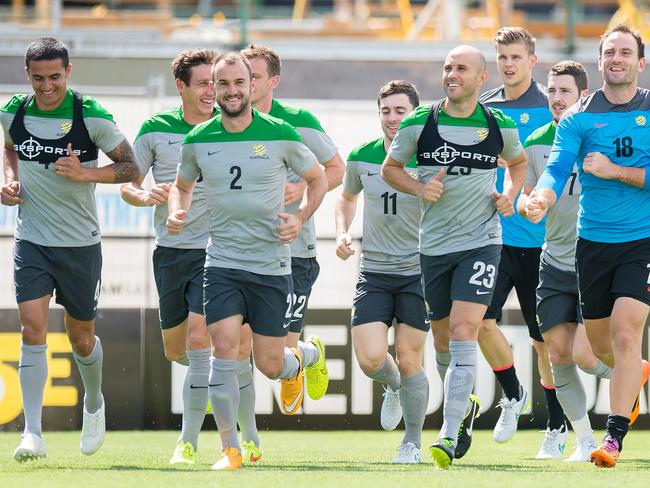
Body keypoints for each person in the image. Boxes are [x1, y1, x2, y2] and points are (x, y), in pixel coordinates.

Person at [166, 53, 329, 471]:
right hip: (221, 262)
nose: (233, 91)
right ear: (213, 89)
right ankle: (230, 448)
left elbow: (319, 178)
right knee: (222, 349)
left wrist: (301, 217)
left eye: (240, 82)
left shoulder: (280, 132)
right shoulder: (198, 139)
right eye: (223, 84)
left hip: (271, 266)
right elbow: (181, 186)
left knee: (272, 365)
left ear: (252, 85)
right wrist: (176, 209)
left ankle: (308, 355)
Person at [382, 45, 527, 469]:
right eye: (447, 67)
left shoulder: (497, 123)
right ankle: (463, 408)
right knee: (443, 340)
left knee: (467, 328)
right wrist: (418, 188)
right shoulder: (418, 122)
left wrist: (510, 195)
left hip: (482, 241)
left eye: (461, 68)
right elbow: (391, 169)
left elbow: (517, 165)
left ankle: (447, 434)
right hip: (434, 247)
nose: (451, 74)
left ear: (482, 78)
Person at [0, 38, 138, 461]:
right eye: (38, 78)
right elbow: (10, 149)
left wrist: (86, 173)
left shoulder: (90, 115)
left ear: (69, 72)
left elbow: (131, 166)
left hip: (80, 245)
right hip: (32, 239)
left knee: (81, 340)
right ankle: (33, 435)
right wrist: (8, 179)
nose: (47, 87)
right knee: (32, 328)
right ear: (28, 75)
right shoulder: (12, 113)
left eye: (55, 77)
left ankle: (93, 403)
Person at [526, 24, 650, 468]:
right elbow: (557, 168)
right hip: (592, 244)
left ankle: (613, 438)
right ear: (599, 62)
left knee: (624, 330)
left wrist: (616, 170)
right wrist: (541, 197)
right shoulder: (579, 116)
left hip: (643, 241)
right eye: (608, 52)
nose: (616, 58)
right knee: (599, 348)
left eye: (625, 52)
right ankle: (633, 375)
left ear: (640, 62)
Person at [240, 45, 344, 433]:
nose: (245, 83)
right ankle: (242, 439)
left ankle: (307, 354)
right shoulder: (227, 122)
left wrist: (301, 186)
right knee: (244, 348)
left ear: (272, 81)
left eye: (253, 75)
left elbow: (336, 168)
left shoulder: (297, 120)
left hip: (294, 251)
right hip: (242, 253)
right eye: (239, 75)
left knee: (276, 356)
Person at [120, 49, 215, 466]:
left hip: (218, 252)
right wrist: (145, 195)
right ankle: (274, 354)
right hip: (171, 252)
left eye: (217, 82)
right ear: (182, 87)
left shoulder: (232, 127)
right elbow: (128, 184)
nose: (213, 91)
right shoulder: (156, 129)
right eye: (204, 83)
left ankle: (187, 443)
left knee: (199, 343)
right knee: (178, 350)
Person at [518, 60, 614, 461]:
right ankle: (585, 441)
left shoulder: (601, 135)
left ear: (583, 97)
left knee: (588, 355)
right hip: (553, 263)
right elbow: (524, 192)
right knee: (557, 354)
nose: (557, 99)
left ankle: (631, 373)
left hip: (596, 261)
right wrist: (528, 206)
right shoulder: (537, 141)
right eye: (552, 91)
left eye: (565, 92)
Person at [478, 27, 563, 454]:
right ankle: (513, 393)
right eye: (502, 57)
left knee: (542, 339)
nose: (508, 64)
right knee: (478, 321)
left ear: (533, 60)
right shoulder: (484, 108)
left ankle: (557, 424)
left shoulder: (550, 108)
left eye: (516, 56)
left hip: (543, 244)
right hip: (492, 240)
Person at [335, 80, 429, 464]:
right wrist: (342, 232)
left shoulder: (430, 156)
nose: (392, 118)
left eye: (400, 111)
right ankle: (393, 388)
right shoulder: (361, 156)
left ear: (414, 115)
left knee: (410, 360)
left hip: (418, 273)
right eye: (386, 111)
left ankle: (412, 442)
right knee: (372, 360)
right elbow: (345, 198)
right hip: (373, 272)